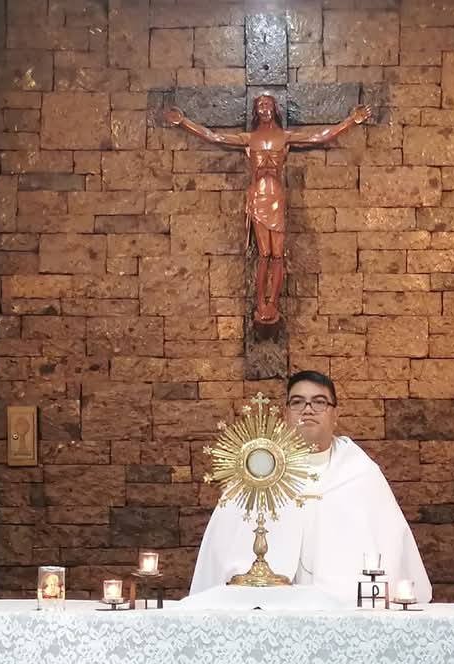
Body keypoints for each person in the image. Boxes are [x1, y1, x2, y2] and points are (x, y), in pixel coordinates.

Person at [190, 370, 432, 604]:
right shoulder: (257, 469)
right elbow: (224, 543)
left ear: (335, 415)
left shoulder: (361, 473)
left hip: (342, 607)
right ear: (286, 414)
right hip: (268, 605)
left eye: (319, 402)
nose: (308, 410)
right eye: (297, 402)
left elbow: (390, 541)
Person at [165, 95, 370, 324]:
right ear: (256, 111)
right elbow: (215, 137)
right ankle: (261, 302)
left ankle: (273, 301)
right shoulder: (249, 139)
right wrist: (184, 123)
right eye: (260, 105)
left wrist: (351, 121)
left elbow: (319, 137)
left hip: (276, 197)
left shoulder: (284, 137)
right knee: (264, 254)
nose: (264, 108)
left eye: (268, 104)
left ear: (274, 108)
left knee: (278, 254)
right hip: (258, 197)